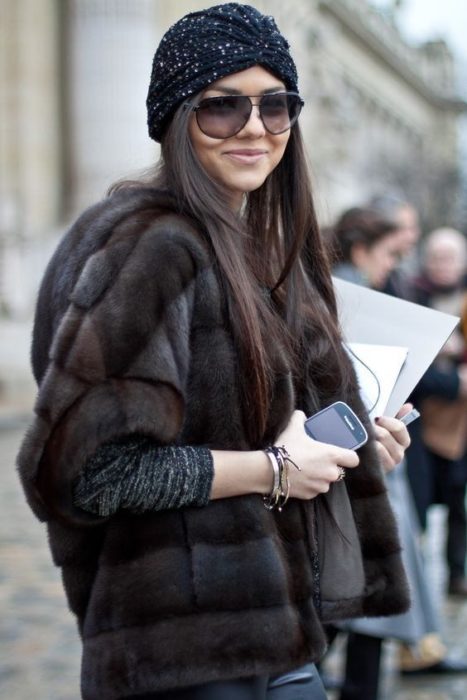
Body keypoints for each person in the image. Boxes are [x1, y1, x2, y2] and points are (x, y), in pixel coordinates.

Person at [16, 5, 412, 699]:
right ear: (176, 119)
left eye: (275, 105)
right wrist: (274, 468)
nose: (254, 128)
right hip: (184, 654)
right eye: (222, 108)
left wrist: (340, 454)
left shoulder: (246, 247)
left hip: (268, 639)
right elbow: (84, 474)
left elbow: (240, 431)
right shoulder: (153, 245)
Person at [325, 208, 467, 700]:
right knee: (361, 584)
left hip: (370, 455)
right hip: (357, 461)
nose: (393, 263)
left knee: (369, 585)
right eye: (389, 252)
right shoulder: (346, 297)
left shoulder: (354, 289)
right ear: (363, 251)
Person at [409, 227, 467, 596]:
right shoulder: (413, 295)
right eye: (437, 257)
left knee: (459, 501)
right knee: (421, 501)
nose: (443, 266)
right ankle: (418, 577)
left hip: (461, 422)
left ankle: (456, 573)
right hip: (422, 419)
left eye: (451, 258)